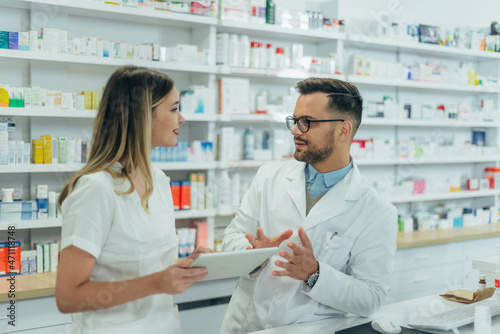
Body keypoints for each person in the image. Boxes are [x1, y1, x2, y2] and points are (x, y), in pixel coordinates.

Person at [221, 77, 397, 333]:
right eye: (294, 120)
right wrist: (253, 254)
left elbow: (371, 298)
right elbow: (231, 238)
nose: (295, 131)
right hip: (246, 325)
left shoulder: (376, 211)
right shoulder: (268, 177)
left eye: (307, 122)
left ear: (343, 130)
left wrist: (314, 273)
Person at [55, 65, 210, 334]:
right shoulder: (96, 189)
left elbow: (143, 267)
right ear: (143, 117)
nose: (182, 118)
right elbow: (68, 296)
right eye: (173, 109)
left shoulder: (158, 180)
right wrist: (158, 283)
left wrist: (183, 267)